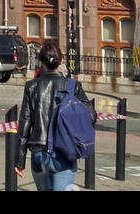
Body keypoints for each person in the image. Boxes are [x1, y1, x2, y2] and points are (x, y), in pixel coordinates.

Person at [14, 39, 92, 191]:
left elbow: (25, 124)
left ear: (41, 62)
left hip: (38, 154)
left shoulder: (32, 86)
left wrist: (19, 160)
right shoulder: (72, 86)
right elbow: (90, 116)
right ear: (61, 60)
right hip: (64, 152)